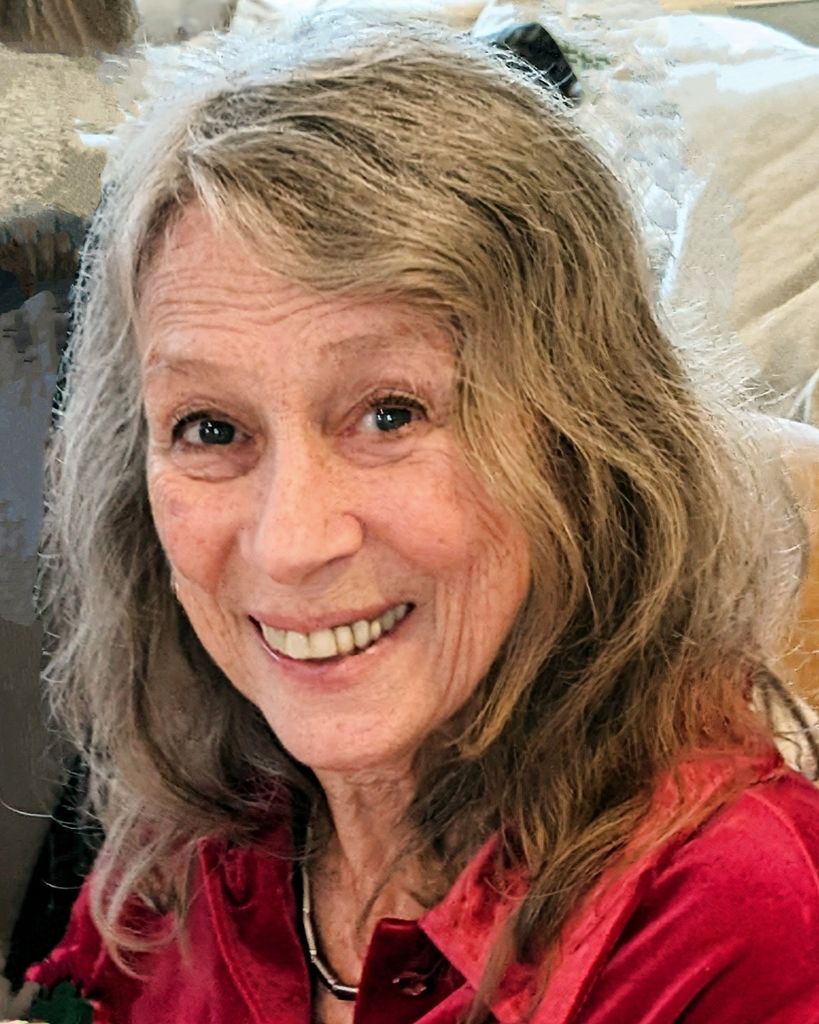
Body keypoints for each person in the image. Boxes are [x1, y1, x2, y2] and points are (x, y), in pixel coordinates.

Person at [24, 16, 819, 1024]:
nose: (290, 542)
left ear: (583, 442)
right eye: (211, 427)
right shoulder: (201, 836)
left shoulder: (738, 927)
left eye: (391, 413)